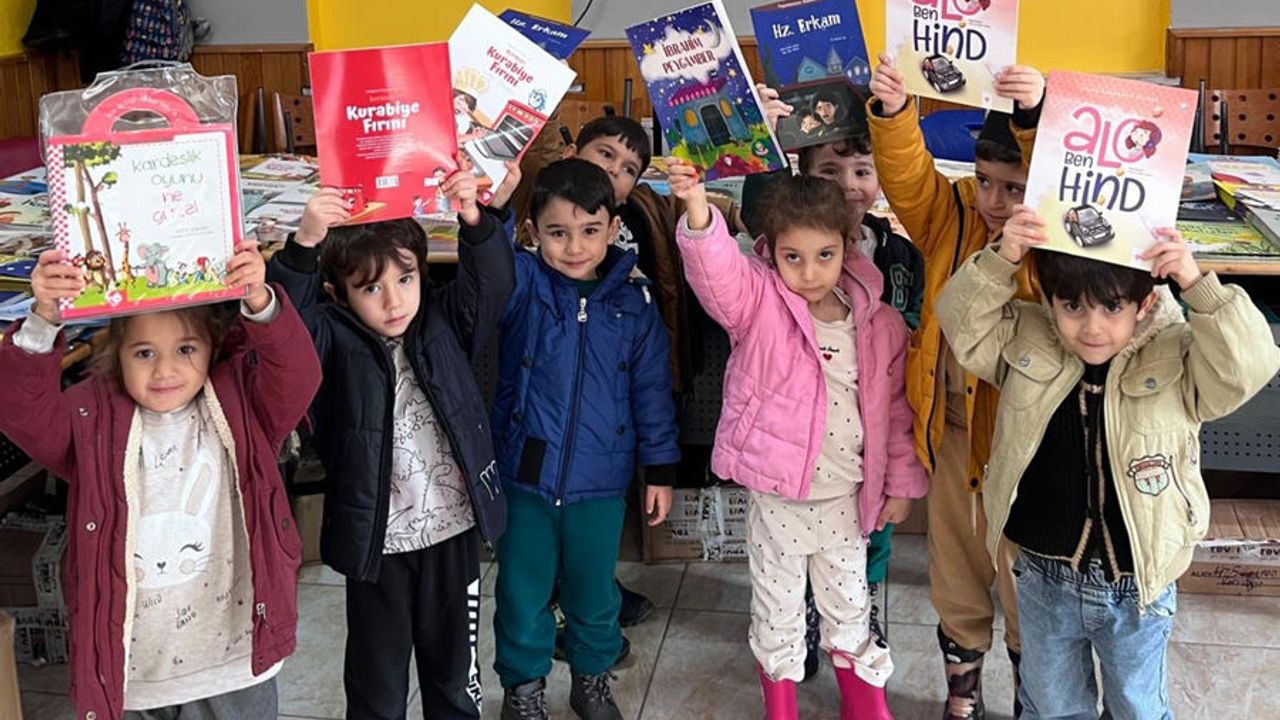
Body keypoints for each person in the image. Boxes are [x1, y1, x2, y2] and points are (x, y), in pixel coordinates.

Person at [935, 210, 1280, 719]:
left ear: (1144, 304)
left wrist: (1197, 284)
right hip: (1044, 575)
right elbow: (961, 323)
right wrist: (1001, 259)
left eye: (1112, 306)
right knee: (1051, 708)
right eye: (1072, 305)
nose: (1091, 326)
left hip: (1137, 585)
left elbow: (1249, 366)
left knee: (1137, 709)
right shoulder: (1027, 337)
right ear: (1048, 300)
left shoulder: (1179, 354)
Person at [0, 241, 320, 720]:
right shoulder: (89, 419)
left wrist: (260, 301)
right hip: (135, 673)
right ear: (116, 355)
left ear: (211, 348)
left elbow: (298, 375)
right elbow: (21, 410)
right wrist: (44, 318)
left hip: (234, 663)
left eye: (185, 349)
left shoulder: (245, 406)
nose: (165, 370)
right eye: (144, 352)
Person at [672, 167, 927, 720]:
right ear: (771, 252)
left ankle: (864, 705)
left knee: (850, 606)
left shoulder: (880, 324)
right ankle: (781, 707)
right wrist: (696, 207)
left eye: (824, 255)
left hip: (846, 499)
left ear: (847, 248)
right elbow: (718, 274)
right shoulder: (759, 304)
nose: (809, 272)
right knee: (778, 609)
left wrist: (900, 484)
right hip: (778, 500)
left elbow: (895, 412)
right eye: (793, 257)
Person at [267, 171, 514, 719]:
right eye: (370, 288)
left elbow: (494, 283)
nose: (394, 301)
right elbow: (284, 331)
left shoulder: (444, 320)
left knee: (456, 679)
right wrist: (304, 244)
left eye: (405, 279)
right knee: (376, 687)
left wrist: (475, 219)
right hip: (377, 543)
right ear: (338, 293)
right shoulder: (329, 340)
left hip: (451, 532)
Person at [868, 51, 1045, 718]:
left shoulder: (1053, 241)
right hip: (950, 436)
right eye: (986, 181)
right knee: (956, 579)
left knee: (1026, 582)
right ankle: (962, 694)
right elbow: (909, 180)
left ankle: (1032, 694)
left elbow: (1059, 182)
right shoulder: (956, 215)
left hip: (1024, 451)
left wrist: (1035, 117)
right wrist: (894, 113)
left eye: (1015, 187)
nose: (997, 201)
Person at [492, 159, 679, 720]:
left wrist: (660, 470)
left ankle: (591, 679)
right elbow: (489, 264)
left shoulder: (635, 304)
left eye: (590, 230)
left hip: (601, 480)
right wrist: (495, 211)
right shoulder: (523, 286)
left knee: (595, 593)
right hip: (526, 473)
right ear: (533, 232)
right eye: (558, 232)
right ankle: (524, 689)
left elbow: (652, 393)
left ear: (614, 228)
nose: (575, 247)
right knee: (521, 593)